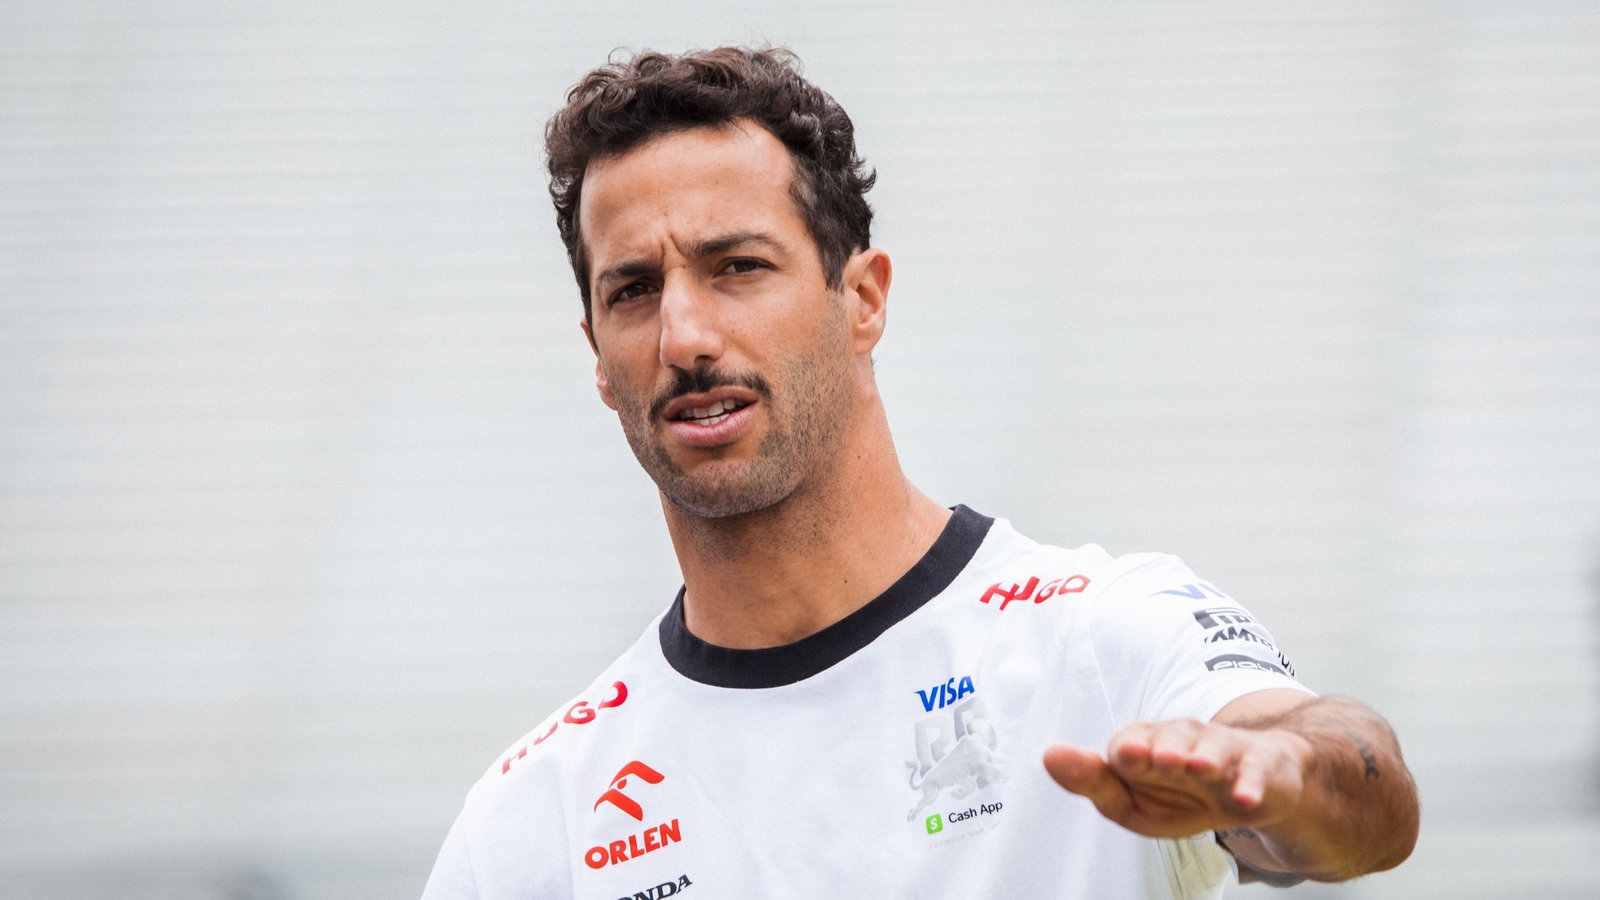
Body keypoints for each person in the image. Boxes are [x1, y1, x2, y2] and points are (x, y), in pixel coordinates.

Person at [421, 46, 1418, 899]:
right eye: (634, 290)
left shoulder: (1095, 639)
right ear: (598, 358)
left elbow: (1358, 800)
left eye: (737, 267)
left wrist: (1282, 773)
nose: (683, 335)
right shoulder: (530, 826)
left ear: (862, 300)